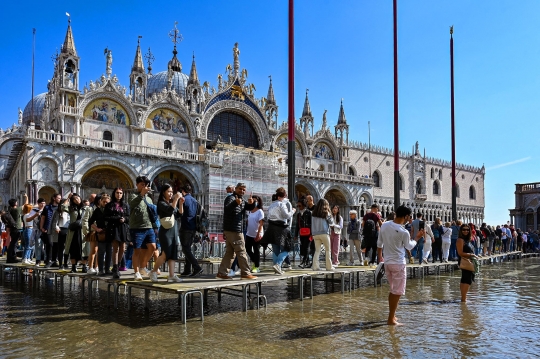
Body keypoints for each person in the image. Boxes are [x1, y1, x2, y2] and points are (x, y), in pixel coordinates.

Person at [377, 205, 424, 325]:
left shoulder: (385, 225)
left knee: (393, 290)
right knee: (397, 292)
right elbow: (409, 246)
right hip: (398, 263)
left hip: (387, 263)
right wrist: (417, 237)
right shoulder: (404, 232)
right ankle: (391, 319)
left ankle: (392, 315)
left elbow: (379, 243)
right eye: (410, 217)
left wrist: (380, 258)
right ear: (406, 216)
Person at [216, 182, 257, 280]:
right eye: (240, 189)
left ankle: (222, 273)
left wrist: (253, 203)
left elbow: (249, 207)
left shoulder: (241, 200)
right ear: (235, 189)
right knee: (241, 251)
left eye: (243, 189)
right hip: (235, 230)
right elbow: (227, 209)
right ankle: (245, 273)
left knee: (230, 253)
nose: (242, 191)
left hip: (232, 229)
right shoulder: (231, 198)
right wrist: (235, 203)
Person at [149, 184, 183, 283]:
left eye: (172, 192)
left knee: (172, 253)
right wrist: (176, 200)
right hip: (165, 232)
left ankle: (171, 275)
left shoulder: (171, 203)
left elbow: (179, 214)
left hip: (174, 231)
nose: (171, 193)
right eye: (168, 191)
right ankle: (154, 271)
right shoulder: (161, 203)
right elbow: (170, 210)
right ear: (163, 192)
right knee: (165, 253)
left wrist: (180, 203)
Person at [129, 176, 158, 281]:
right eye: (142, 185)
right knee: (137, 250)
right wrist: (141, 194)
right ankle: (136, 272)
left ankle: (142, 266)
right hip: (137, 227)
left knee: (153, 247)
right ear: (137, 185)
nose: (144, 187)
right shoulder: (132, 195)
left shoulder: (149, 198)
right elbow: (132, 204)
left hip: (149, 226)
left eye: (146, 185)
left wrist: (155, 226)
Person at [261, 187, 295, 275]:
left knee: (275, 249)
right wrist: (292, 211)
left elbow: (268, 217)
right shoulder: (281, 204)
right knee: (286, 248)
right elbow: (286, 216)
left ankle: (276, 269)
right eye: (285, 196)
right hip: (281, 228)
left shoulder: (271, 205)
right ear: (282, 196)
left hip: (272, 228)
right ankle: (278, 265)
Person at [178, 184, 203, 277]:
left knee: (185, 249)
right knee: (187, 248)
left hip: (185, 226)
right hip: (193, 227)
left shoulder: (184, 199)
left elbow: (179, 213)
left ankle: (197, 267)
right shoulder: (195, 200)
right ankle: (187, 269)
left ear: (183, 191)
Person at [104, 188, 130, 279]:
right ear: (114, 193)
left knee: (123, 248)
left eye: (120, 193)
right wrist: (117, 218)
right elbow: (106, 217)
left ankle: (118, 265)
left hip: (123, 228)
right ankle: (115, 268)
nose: (119, 194)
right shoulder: (109, 205)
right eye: (117, 193)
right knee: (115, 248)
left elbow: (128, 217)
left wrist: (125, 219)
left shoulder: (125, 205)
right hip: (113, 228)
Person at [89, 193, 112, 275]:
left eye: (107, 202)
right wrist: (97, 229)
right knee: (101, 251)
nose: (105, 203)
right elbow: (90, 222)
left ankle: (107, 269)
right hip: (101, 233)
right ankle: (100, 270)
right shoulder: (97, 210)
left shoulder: (111, 210)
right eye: (104, 202)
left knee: (109, 251)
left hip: (110, 232)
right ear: (100, 201)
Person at [310, 198, 335, 271]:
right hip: (324, 233)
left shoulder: (313, 213)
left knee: (317, 250)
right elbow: (331, 223)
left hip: (315, 233)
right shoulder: (326, 213)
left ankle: (315, 266)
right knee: (328, 250)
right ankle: (329, 267)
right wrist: (330, 214)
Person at [64, 193, 84, 273]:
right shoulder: (71, 208)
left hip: (83, 231)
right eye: (74, 199)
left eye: (77, 198)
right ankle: (73, 266)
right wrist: (68, 198)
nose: (77, 200)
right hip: (73, 231)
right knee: (72, 249)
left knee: (83, 248)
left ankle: (84, 266)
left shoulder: (86, 208)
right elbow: (63, 207)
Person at [456, 224, 477, 302]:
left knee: (465, 279)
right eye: (464, 230)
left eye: (467, 230)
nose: (466, 231)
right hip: (465, 261)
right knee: (467, 280)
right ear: (461, 231)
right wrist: (472, 255)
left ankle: (463, 298)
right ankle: (464, 299)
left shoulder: (467, 240)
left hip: (469, 261)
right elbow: (460, 253)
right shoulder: (460, 240)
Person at [41, 193, 62, 268]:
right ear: (54, 198)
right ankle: (48, 260)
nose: (60, 199)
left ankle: (54, 260)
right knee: (49, 244)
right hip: (48, 228)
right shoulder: (47, 207)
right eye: (58, 198)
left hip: (57, 229)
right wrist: (42, 227)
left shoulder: (60, 208)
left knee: (56, 245)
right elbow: (43, 217)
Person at [6, 194, 28, 263]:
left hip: (13, 228)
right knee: (13, 243)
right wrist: (26, 197)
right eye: (16, 202)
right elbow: (25, 205)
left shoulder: (10, 209)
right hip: (16, 228)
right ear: (15, 203)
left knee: (14, 243)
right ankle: (11, 258)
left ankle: (12, 257)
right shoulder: (16, 210)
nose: (17, 203)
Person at [245, 195, 264, 273]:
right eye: (253, 200)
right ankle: (254, 261)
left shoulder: (260, 211)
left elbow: (261, 224)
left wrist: (258, 234)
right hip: (249, 233)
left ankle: (256, 267)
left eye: (256, 200)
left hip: (257, 233)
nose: (254, 202)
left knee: (256, 250)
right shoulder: (249, 211)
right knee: (247, 249)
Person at [52, 198, 71, 269]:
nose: (68, 204)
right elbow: (55, 222)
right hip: (61, 229)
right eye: (67, 202)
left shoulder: (69, 211)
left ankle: (66, 263)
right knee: (61, 248)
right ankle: (60, 263)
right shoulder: (58, 212)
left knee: (67, 248)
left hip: (69, 229)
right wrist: (57, 228)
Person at [294, 197, 312, 268]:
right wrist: (295, 234)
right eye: (297, 206)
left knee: (306, 247)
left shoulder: (309, 213)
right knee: (303, 247)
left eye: (300, 206)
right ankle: (308, 262)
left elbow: (312, 223)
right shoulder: (298, 214)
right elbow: (297, 225)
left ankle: (303, 262)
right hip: (302, 233)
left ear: (304, 205)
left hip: (308, 233)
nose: (298, 207)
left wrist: (312, 233)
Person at [32, 198, 46, 266]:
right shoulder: (34, 211)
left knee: (46, 245)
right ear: (38, 203)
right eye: (41, 203)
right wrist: (35, 215)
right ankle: (38, 260)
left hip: (46, 230)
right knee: (38, 245)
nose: (42, 205)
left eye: (43, 203)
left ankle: (46, 260)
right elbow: (29, 219)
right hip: (38, 229)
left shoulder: (47, 210)